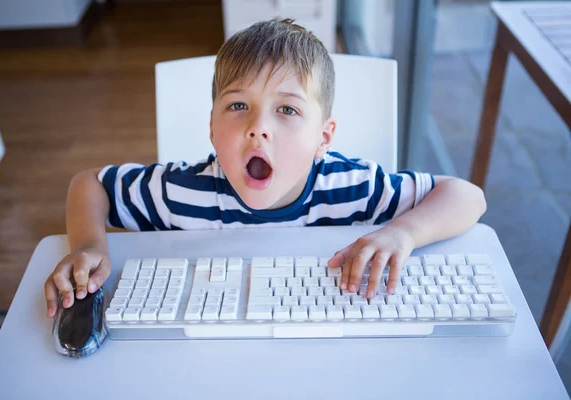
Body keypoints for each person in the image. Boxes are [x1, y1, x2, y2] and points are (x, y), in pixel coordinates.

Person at [44, 18, 486, 318]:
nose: (258, 129)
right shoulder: (181, 192)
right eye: (238, 106)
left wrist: (401, 234)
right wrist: (88, 244)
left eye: (287, 111)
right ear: (212, 129)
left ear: (323, 139)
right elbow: (90, 184)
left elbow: (467, 196)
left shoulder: (353, 187)